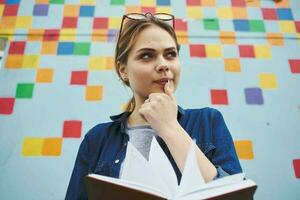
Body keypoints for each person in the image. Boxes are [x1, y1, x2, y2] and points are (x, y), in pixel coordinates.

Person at [65, 13, 242, 199]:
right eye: (147, 56)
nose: (163, 65)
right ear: (123, 70)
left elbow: (236, 196)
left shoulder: (208, 121)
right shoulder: (97, 139)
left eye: (170, 54)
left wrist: (171, 128)